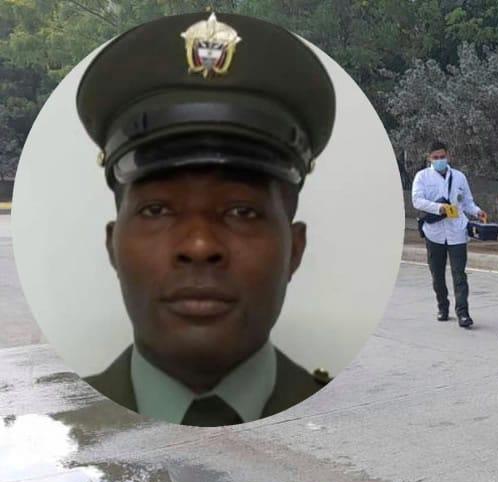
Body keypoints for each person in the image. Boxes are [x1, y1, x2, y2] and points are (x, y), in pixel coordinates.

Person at [75, 12, 336, 427]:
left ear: (295, 251)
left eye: (242, 211)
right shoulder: (51, 434)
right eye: (156, 210)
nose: (199, 245)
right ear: (112, 246)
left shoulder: (357, 424)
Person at [411, 141, 487, 328]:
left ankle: (463, 313)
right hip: (434, 233)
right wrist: (439, 207)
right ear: (429, 158)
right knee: (437, 274)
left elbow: (467, 202)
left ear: (448, 156)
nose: (439, 160)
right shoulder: (422, 177)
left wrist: (477, 211)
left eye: (442, 157)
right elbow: (416, 200)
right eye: (435, 158)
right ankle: (442, 306)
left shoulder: (459, 177)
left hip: (457, 231)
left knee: (459, 274)